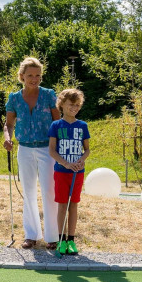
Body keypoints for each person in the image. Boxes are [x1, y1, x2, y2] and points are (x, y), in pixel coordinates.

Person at [3, 57, 61, 249]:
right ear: (22, 76)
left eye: (37, 75)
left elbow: (57, 121)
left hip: (47, 148)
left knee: (48, 191)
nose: (34, 79)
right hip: (25, 149)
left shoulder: (49, 95)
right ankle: (31, 235)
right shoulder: (14, 98)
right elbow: (9, 124)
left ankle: (52, 237)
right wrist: (7, 137)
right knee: (28, 192)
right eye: (30, 75)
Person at [48, 88, 90, 255]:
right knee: (62, 205)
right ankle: (61, 240)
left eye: (78, 105)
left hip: (77, 173)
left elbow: (87, 150)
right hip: (61, 171)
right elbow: (52, 150)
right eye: (71, 104)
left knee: (74, 205)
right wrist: (65, 163)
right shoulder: (56, 125)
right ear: (62, 105)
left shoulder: (82, 125)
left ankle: (71, 240)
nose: (75, 107)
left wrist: (81, 160)